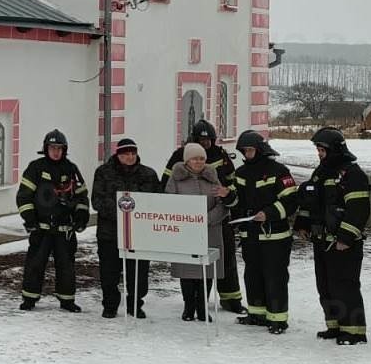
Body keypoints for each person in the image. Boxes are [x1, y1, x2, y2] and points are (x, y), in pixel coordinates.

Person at [293, 127, 371, 345]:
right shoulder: (320, 173)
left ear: (335, 150)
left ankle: (354, 331)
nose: (319, 154)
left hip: (343, 244)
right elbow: (310, 202)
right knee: (326, 286)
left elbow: (358, 210)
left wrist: (345, 238)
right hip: (322, 241)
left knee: (345, 286)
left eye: (322, 150)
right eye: (318, 150)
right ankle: (335, 326)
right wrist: (302, 222)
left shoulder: (352, 174)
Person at [163, 118, 243, 314]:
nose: (206, 145)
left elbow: (233, 184)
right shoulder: (178, 156)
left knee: (224, 261)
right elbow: (166, 187)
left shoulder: (221, 155)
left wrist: (228, 201)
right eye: (202, 140)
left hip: (217, 220)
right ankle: (192, 305)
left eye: (209, 141)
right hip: (187, 225)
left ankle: (231, 299)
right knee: (189, 264)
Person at [15, 129, 91, 312]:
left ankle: (67, 300)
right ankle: (29, 299)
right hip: (41, 228)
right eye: (52, 147)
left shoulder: (71, 169)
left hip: (64, 229)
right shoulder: (36, 168)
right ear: (45, 148)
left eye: (59, 148)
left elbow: (82, 197)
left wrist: (81, 217)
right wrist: (30, 219)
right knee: (35, 264)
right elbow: (23, 196)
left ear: (64, 150)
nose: (56, 151)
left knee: (66, 266)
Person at [232, 129, 298, 334]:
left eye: (250, 150)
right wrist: (228, 197)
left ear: (260, 149)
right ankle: (257, 314)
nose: (246, 154)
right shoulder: (241, 173)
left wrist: (268, 214)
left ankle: (277, 319)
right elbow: (237, 201)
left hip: (274, 236)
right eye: (244, 151)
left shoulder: (278, 170)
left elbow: (291, 201)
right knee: (252, 275)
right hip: (250, 234)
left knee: (274, 277)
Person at [91, 137, 161, 318]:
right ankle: (110, 305)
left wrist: (138, 215)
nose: (130, 157)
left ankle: (135, 304)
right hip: (110, 233)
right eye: (126, 154)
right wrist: (122, 214)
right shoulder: (103, 172)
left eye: (133, 153)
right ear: (118, 155)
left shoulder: (148, 175)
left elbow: (157, 200)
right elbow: (97, 200)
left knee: (138, 272)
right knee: (109, 272)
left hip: (139, 233)